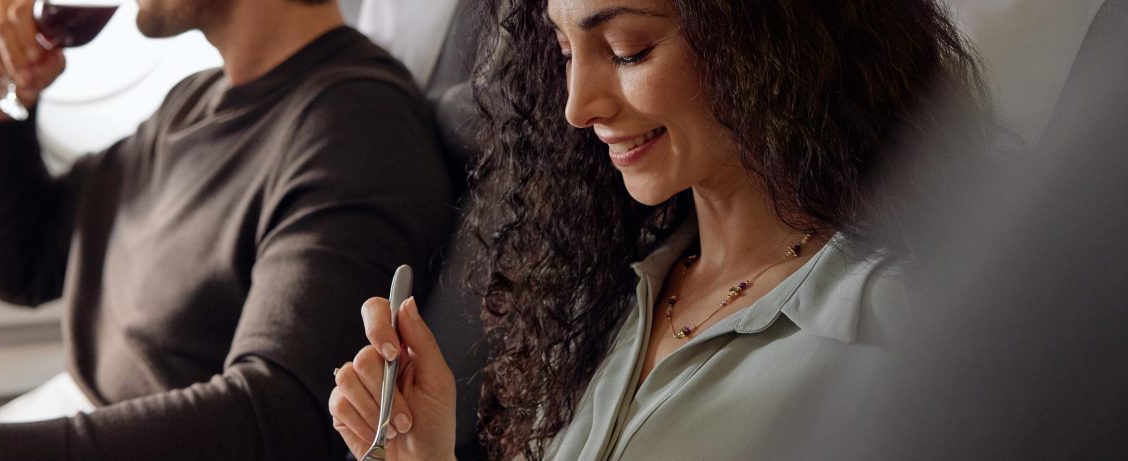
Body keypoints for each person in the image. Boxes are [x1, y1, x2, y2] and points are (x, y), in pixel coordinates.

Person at [0, 0, 454, 458]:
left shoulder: (355, 124)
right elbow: (21, 266)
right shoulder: (190, 105)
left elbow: (281, 416)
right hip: (71, 418)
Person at [328, 0, 993, 459]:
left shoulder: (892, 329)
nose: (577, 106)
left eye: (628, 50)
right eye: (564, 51)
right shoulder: (599, 308)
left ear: (768, 37)